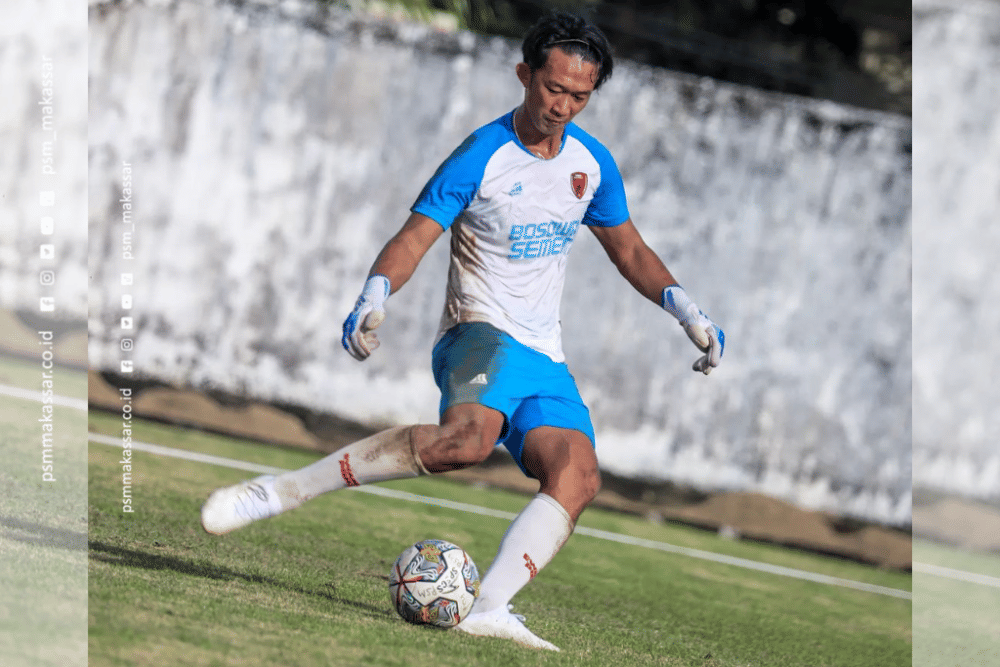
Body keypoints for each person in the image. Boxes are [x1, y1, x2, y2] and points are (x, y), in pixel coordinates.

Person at [201, 11, 724, 652]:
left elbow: (631, 251)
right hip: (476, 334)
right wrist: (376, 293)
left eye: (579, 96)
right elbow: (417, 233)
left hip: (542, 356)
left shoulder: (592, 164)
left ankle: (487, 608)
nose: (562, 106)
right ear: (524, 74)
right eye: (552, 88)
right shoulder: (483, 154)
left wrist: (686, 310)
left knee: (578, 476)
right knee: (467, 444)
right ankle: (280, 492)